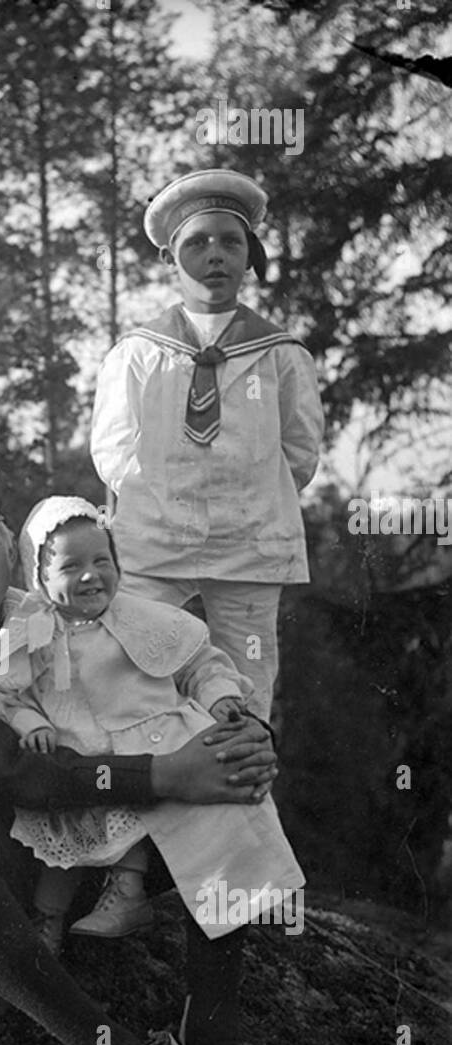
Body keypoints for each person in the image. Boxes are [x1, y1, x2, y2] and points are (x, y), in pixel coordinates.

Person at [0, 461, 319, 1045]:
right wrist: (165, 773)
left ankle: (215, 1040)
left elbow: (162, 678)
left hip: (87, 847)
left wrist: (238, 737)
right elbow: (17, 770)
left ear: (10, 544)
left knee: (216, 782)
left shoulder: (52, 610)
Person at [0, 494, 304, 960]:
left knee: (163, 816)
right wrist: (32, 722)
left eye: (102, 560)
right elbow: (9, 694)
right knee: (65, 848)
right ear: (40, 577)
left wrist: (221, 698)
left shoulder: (143, 617)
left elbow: (201, 662)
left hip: (156, 739)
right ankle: (47, 921)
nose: (91, 575)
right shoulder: (31, 630)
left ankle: (131, 897)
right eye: (71, 567)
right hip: (84, 756)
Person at [91, 169, 323, 721]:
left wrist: (247, 497)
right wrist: (166, 501)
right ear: (171, 260)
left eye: (230, 242)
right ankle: (149, 782)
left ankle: (242, 792)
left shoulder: (280, 354)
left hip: (250, 546)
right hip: (155, 541)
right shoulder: (139, 352)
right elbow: (114, 450)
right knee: (136, 663)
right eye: (196, 243)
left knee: (247, 682)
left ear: (249, 256)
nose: (214, 255)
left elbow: (300, 451)